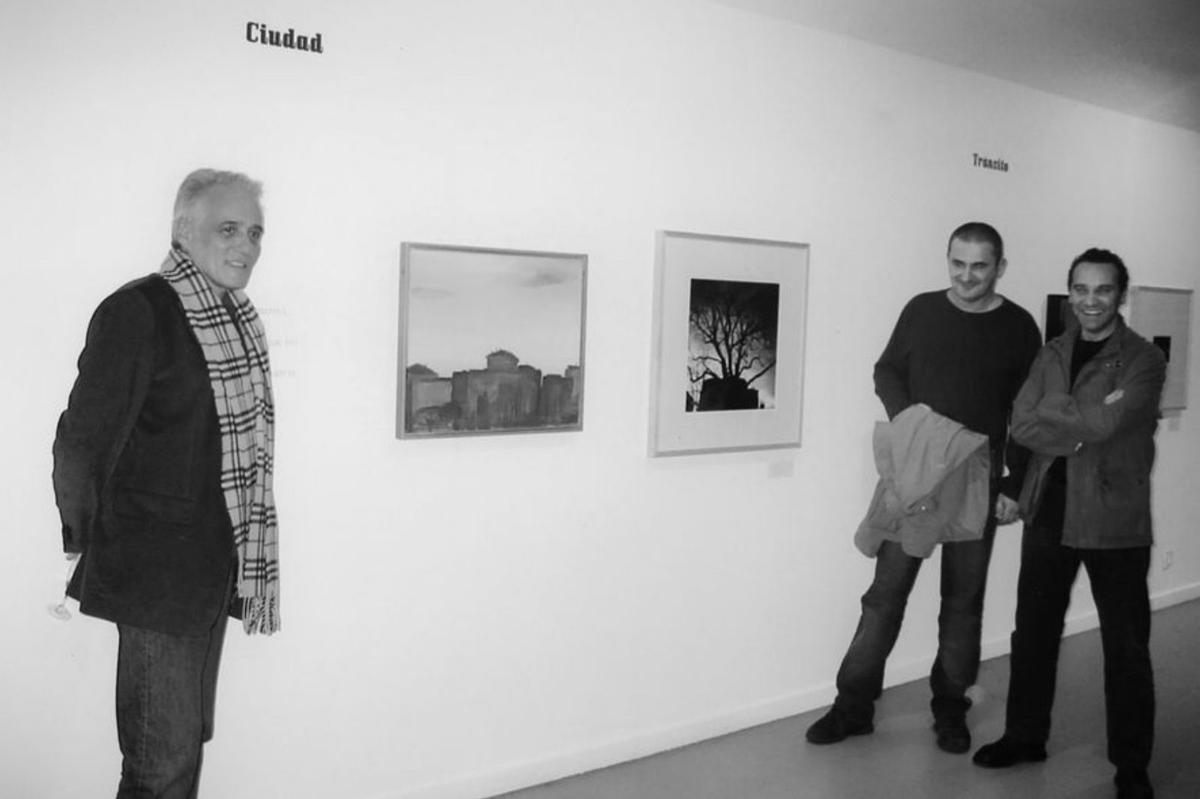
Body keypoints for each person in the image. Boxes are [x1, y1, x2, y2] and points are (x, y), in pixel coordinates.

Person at [52, 169, 281, 798]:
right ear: (184, 230)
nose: (246, 246)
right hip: (155, 577)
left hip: (210, 571)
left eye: (255, 233)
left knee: (178, 750)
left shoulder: (237, 319)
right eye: (229, 228)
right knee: (161, 763)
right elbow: (81, 442)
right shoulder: (140, 310)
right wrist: (87, 540)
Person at [805, 222, 1042, 754]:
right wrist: (912, 423)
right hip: (915, 471)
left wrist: (1014, 481)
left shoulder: (1019, 326)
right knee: (884, 596)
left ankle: (951, 710)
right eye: (957, 263)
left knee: (963, 603)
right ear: (948, 260)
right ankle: (852, 708)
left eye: (979, 266)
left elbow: (1027, 412)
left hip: (977, 476)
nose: (966, 276)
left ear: (1000, 267)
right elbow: (886, 370)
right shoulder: (921, 310)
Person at [973, 249, 1165, 799]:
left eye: (1102, 290)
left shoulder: (1145, 359)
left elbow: (1106, 424)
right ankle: (1024, 736)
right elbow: (1022, 422)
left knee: (1126, 648)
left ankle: (1131, 766)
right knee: (1032, 634)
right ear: (1071, 292)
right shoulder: (1052, 351)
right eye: (1080, 289)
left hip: (1114, 519)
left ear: (1120, 294)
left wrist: (1057, 416)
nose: (1090, 301)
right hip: (1049, 512)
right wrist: (1074, 427)